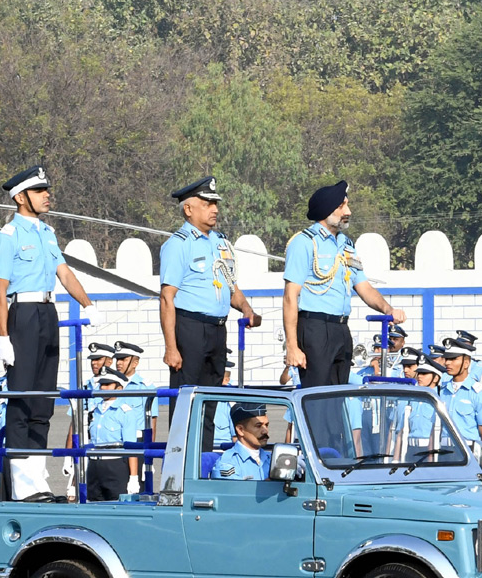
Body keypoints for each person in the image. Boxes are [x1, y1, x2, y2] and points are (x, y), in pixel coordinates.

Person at [0, 165, 99, 500]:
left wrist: (88, 304)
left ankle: (37, 477)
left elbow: (63, 273)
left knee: (43, 400)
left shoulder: (46, 233)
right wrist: (4, 337)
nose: (47, 195)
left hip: (48, 313)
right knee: (22, 399)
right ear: (21, 197)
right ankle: (22, 484)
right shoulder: (7, 238)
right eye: (39, 191)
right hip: (21, 313)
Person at [159, 176, 261, 446]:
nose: (214, 209)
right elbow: (167, 298)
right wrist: (171, 347)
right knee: (186, 405)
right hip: (190, 328)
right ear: (188, 209)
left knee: (209, 404)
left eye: (215, 203)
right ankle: (180, 471)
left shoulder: (220, 243)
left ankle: (200, 465)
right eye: (207, 203)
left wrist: (247, 308)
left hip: (217, 330)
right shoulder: (179, 244)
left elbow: (230, 286)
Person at [283, 180, 402, 387]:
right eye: (341, 206)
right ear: (327, 210)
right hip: (315, 328)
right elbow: (290, 296)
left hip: (341, 329)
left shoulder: (346, 244)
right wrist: (292, 346)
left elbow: (363, 286)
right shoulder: (304, 242)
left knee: (338, 395)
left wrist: (388, 309)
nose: (348, 211)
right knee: (317, 397)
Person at [62, 341, 114, 492]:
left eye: (98, 359)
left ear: (109, 361)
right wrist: (68, 455)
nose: (94, 363)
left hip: (108, 446)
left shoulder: (118, 387)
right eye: (92, 360)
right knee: (74, 491)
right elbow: (74, 425)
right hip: (85, 443)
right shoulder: (84, 388)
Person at [85, 366, 143, 501]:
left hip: (115, 466)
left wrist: (133, 477)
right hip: (94, 465)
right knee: (93, 506)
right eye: (101, 384)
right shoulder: (94, 410)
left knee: (117, 505)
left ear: (119, 388)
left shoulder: (125, 412)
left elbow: (131, 448)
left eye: (107, 384)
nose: (103, 388)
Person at [436, 336, 482, 466]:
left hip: (468, 452)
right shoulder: (442, 391)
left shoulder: (479, 393)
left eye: (453, 359)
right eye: (447, 359)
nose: (448, 363)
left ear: (466, 363)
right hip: (444, 451)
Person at [210, 402, 271, 480]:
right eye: (258, 426)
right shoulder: (227, 464)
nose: (265, 431)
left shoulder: (271, 460)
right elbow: (234, 491)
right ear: (240, 430)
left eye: (266, 425)